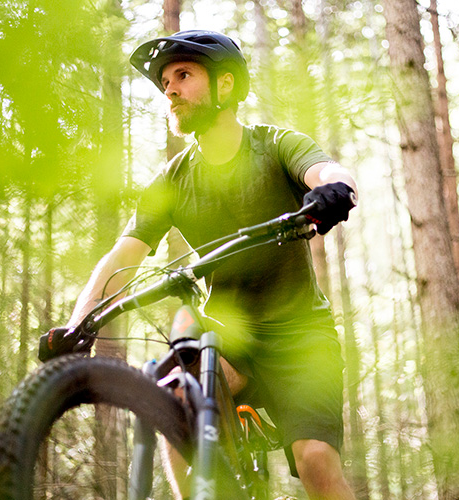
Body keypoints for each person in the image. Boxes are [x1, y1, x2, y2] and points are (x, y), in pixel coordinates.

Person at [63, 30, 357, 500]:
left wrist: (336, 190)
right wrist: (80, 323)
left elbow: (326, 171)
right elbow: (124, 254)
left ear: (225, 86)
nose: (170, 90)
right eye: (165, 83)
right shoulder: (173, 179)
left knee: (316, 459)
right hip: (229, 335)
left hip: (301, 335)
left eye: (183, 75)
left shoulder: (275, 145)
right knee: (177, 393)